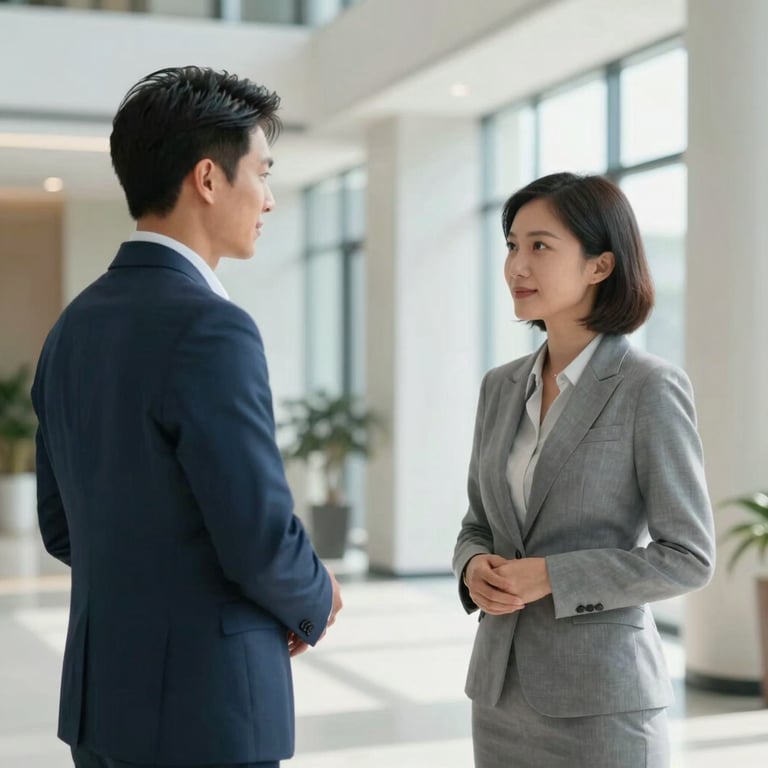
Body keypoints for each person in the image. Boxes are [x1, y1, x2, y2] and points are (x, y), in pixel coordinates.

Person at [31, 66, 342, 768]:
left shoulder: (72, 328)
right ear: (208, 178)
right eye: (261, 173)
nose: (268, 199)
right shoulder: (211, 328)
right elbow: (257, 537)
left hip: (102, 703)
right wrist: (313, 597)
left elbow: (61, 527)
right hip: (206, 708)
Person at [453, 172, 715, 768]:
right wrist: (473, 566)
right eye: (512, 245)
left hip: (603, 702)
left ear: (599, 266)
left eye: (540, 246)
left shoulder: (649, 387)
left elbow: (688, 557)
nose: (517, 266)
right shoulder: (500, 387)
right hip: (498, 695)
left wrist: (551, 576)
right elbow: (477, 522)